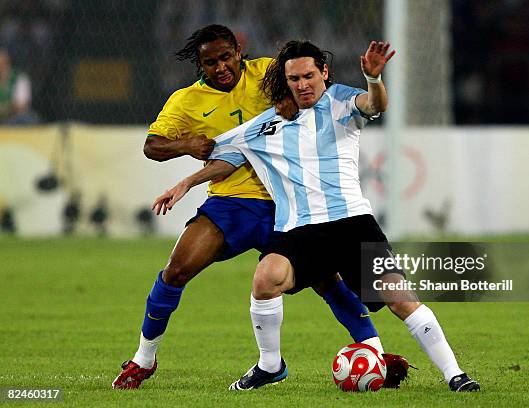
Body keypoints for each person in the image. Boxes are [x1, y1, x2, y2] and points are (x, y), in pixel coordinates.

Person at [154, 40, 481, 392]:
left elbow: (375, 104)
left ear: (323, 72)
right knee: (266, 278)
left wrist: (373, 78)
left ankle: (455, 374)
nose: (302, 84)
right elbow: (229, 157)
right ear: (285, 81)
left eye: (309, 76)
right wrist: (186, 182)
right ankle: (270, 365)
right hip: (299, 231)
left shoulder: (341, 100)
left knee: (399, 297)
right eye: (293, 78)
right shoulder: (266, 124)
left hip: (352, 225)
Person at [113, 25, 407, 390]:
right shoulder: (185, 100)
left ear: (239, 52)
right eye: (210, 62)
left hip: (284, 203)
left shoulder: (269, 72)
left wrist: (288, 100)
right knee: (176, 269)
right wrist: (187, 144)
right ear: (200, 65)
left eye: (225, 57)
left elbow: (314, 94)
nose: (220, 67)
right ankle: (144, 358)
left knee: (327, 280)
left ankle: (372, 351)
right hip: (229, 203)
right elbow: (152, 146)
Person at [0, 46, 38, 125]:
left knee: (27, 118)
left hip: (14, 119)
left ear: (7, 63)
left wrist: (5, 108)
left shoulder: (20, 78)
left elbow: (21, 106)